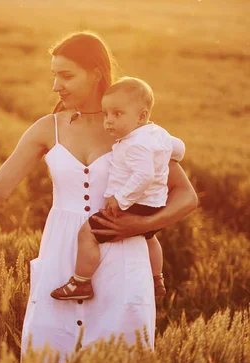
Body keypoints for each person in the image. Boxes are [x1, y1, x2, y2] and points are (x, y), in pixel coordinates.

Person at [0, 32, 197, 363]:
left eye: (67, 75)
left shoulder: (135, 130)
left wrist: (141, 226)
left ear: (97, 73)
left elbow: (186, 197)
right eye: (54, 75)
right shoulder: (48, 128)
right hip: (62, 262)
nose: (56, 85)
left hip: (124, 265)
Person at [51, 77, 185, 301]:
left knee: (88, 233)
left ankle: (81, 282)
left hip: (134, 205)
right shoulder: (157, 134)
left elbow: (144, 175)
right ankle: (156, 278)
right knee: (150, 237)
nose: (109, 121)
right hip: (154, 204)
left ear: (141, 116)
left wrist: (120, 199)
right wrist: (172, 156)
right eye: (106, 114)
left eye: (117, 114)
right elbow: (177, 148)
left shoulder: (135, 144)